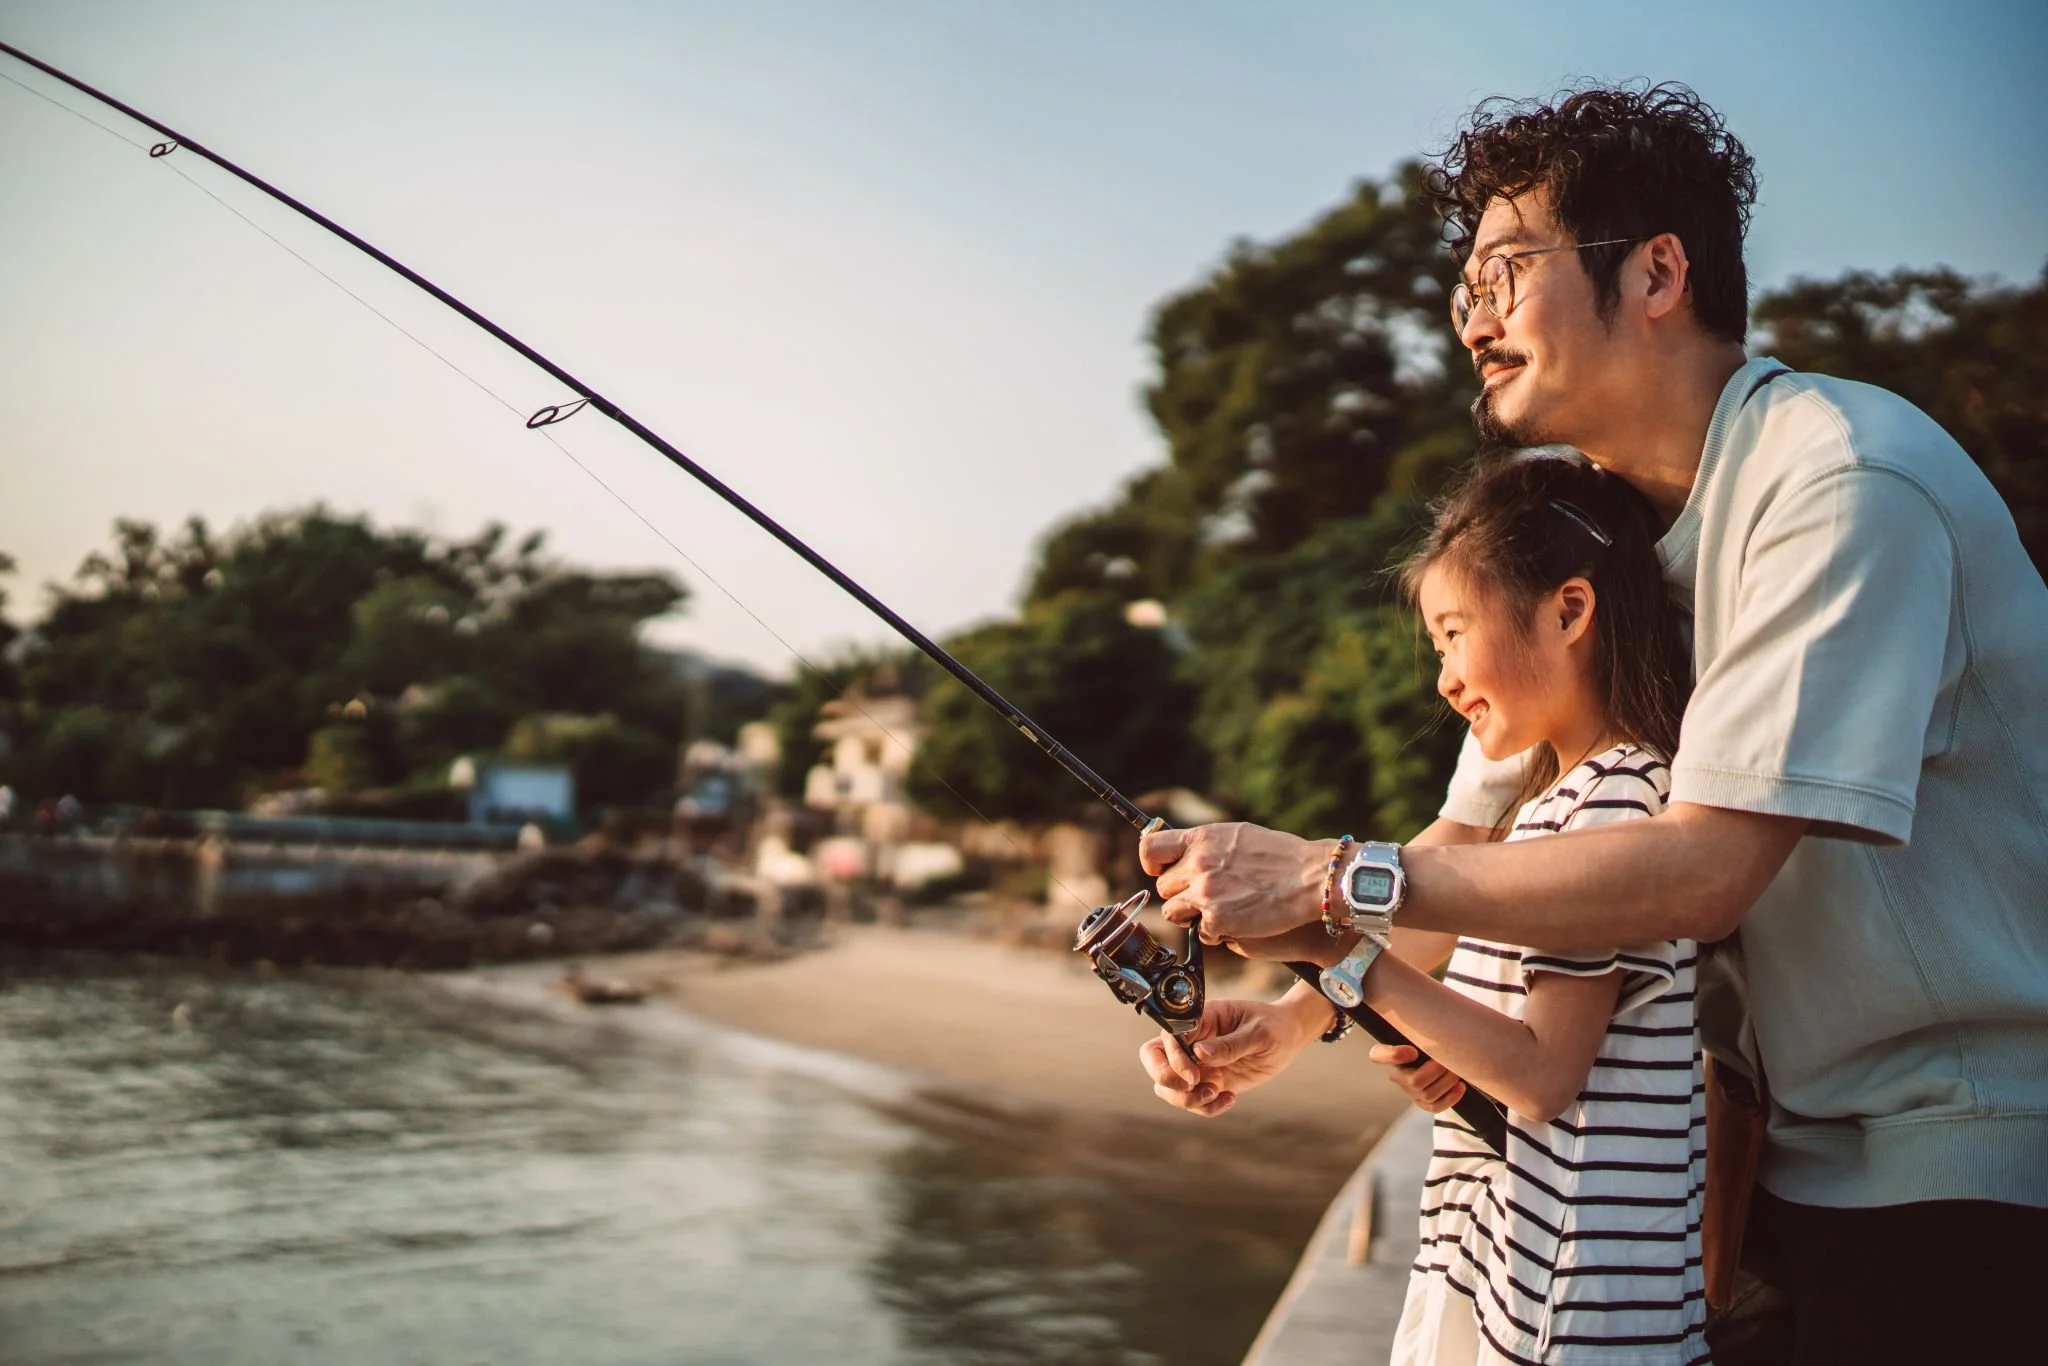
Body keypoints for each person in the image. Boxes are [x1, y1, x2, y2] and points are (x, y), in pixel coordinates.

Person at [1138, 84, 2048, 1364]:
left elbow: (1701, 864)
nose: (1472, 318)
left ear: (1656, 272)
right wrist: (1288, 1022)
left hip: (1960, 1153)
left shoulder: (1840, 481)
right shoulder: (1585, 536)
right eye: (1463, 288)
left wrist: (1321, 877)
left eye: (1505, 272)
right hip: (1755, 1148)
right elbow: (1468, 836)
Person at [1148, 453, 1707, 1363]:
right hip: (1524, 1262)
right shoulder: (1550, 809)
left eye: (1453, 634)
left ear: (1570, 611)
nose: (1443, 679)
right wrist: (1372, 1029)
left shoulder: (1607, 805)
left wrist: (1335, 953)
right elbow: (1532, 1061)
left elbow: (1542, 1075)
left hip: (1572, 1304)